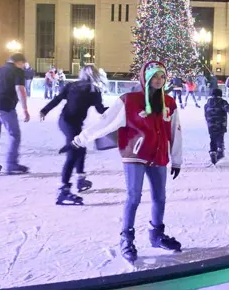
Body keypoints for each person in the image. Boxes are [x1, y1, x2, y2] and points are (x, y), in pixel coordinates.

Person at [72, 60, 183, 264]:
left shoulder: (169, 103)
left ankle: (156, 235)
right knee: (134, 197)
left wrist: (177, 159)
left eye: (162, 77)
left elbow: (175, 131)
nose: (159, 80)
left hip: (158, 155)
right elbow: (106, 121)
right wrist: (82, 137)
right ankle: (127, 238)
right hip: (135, 154)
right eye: (154, 77)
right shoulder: (129, 100)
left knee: (160, 197)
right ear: (145, 78)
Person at [40, 65, 107, 206]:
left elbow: (57, 99)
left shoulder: (73, 86)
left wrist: (44, 110)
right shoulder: (93, 91)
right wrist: (119, 108)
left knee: (80, 148)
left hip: (66, 121)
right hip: (70, 123)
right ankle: (63, 190)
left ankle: (80, 178)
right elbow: (101, 111)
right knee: (73, 153)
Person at [0, 53, 31, 175]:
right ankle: (11, 164)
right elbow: (20, 89)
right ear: (19, 62)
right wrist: (25, 109)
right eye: (23, 64)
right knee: (14, 135)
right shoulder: (17, 71)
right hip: (4, 106)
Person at [204, 88, 229, 165]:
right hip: (220, 124)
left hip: (210, 124)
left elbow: (205, 114)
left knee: (212, 138)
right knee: (220, 137)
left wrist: (208, 122)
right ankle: (220, 150)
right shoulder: (222, 102)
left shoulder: (207, 104)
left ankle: (212, 151)